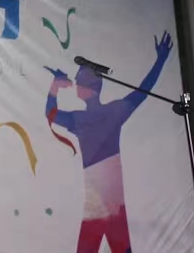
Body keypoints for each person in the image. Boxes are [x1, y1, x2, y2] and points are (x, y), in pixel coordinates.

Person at [44, 31, 173, 253]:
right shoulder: (112, 112)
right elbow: (142, 91)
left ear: (88, 86)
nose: (76, 83)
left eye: (79, 80)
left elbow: (50, 113)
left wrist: (56, 86)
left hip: (101, 207)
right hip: (109, 206)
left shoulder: (84, 118)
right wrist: (160, 60)